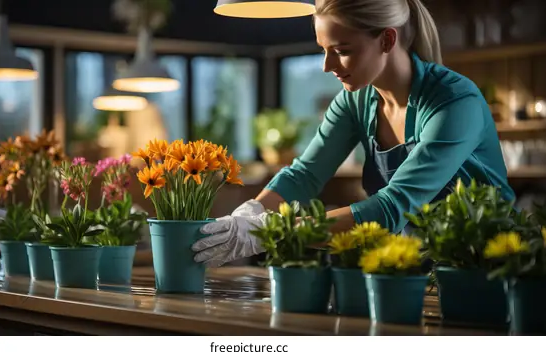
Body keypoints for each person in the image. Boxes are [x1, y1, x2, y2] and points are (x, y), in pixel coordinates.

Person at [192, 0, 516, 267]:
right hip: (416, 265)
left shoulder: (453, 100)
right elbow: (304, 175)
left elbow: (393, 206)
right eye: (323, 50)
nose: (327, 65)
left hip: (489, 265)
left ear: (387, 40)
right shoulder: (355, 100)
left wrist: (274, 231)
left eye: (342, 50)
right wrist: (251, 213)